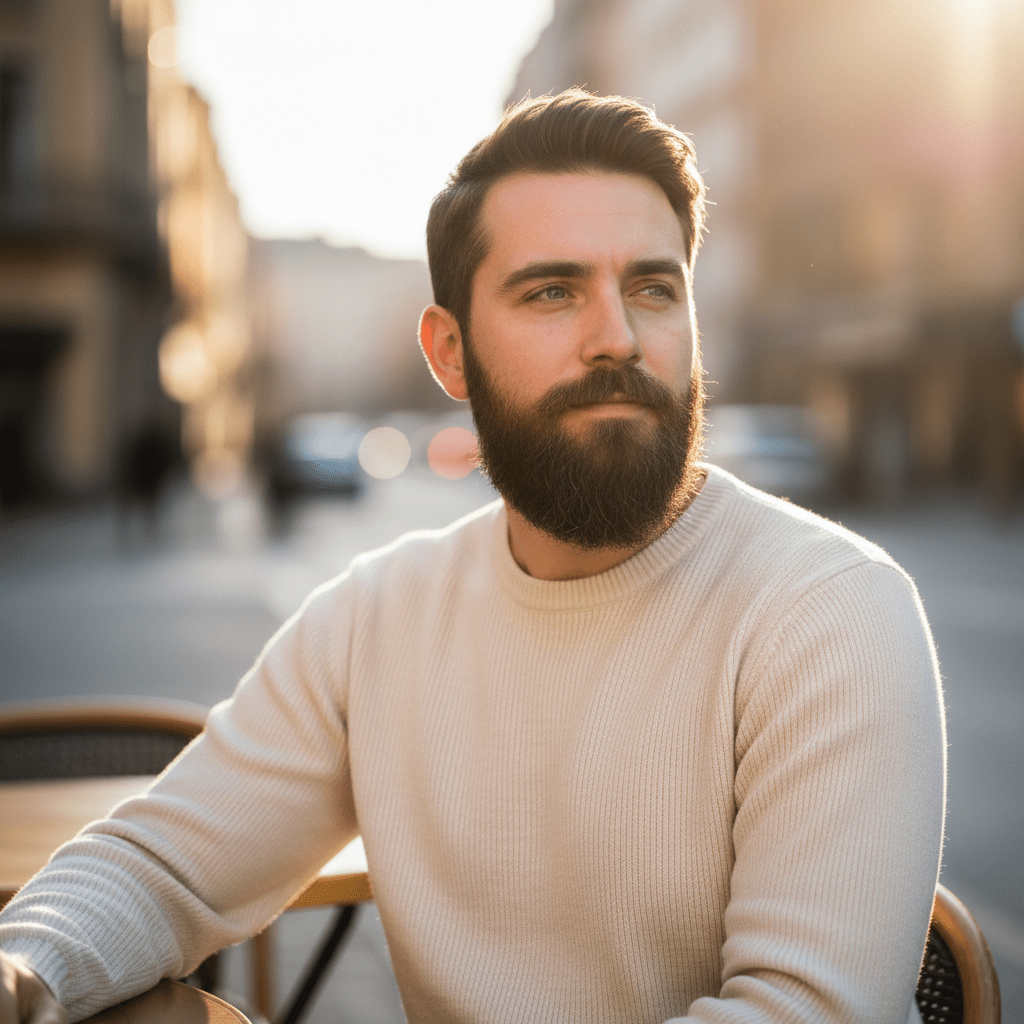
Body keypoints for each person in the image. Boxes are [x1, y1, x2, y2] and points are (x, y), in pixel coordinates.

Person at [0, 90, 944, 1024]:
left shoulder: (832, 612)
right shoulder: (376, 619)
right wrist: (24, 971)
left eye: (654, 288)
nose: (617, 337)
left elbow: (808, 1012)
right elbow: (163, 866)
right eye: (552, 291)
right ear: (450, 353)